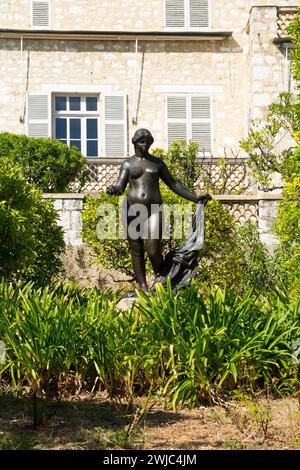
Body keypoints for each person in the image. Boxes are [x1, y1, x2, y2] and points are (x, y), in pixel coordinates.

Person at [107, 128, 211, 290]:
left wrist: (195, 197)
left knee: (153, 249)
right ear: (134, 142)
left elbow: (173, 184)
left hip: (154, 210)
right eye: (142, 142)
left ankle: (163, 281)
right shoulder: (128, 164)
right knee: (136, 249)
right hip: (132, 210)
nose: (145, 145)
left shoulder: (157, 163)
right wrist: (114, 189)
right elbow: (120, 186)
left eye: (148, 142)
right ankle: (143, 286)